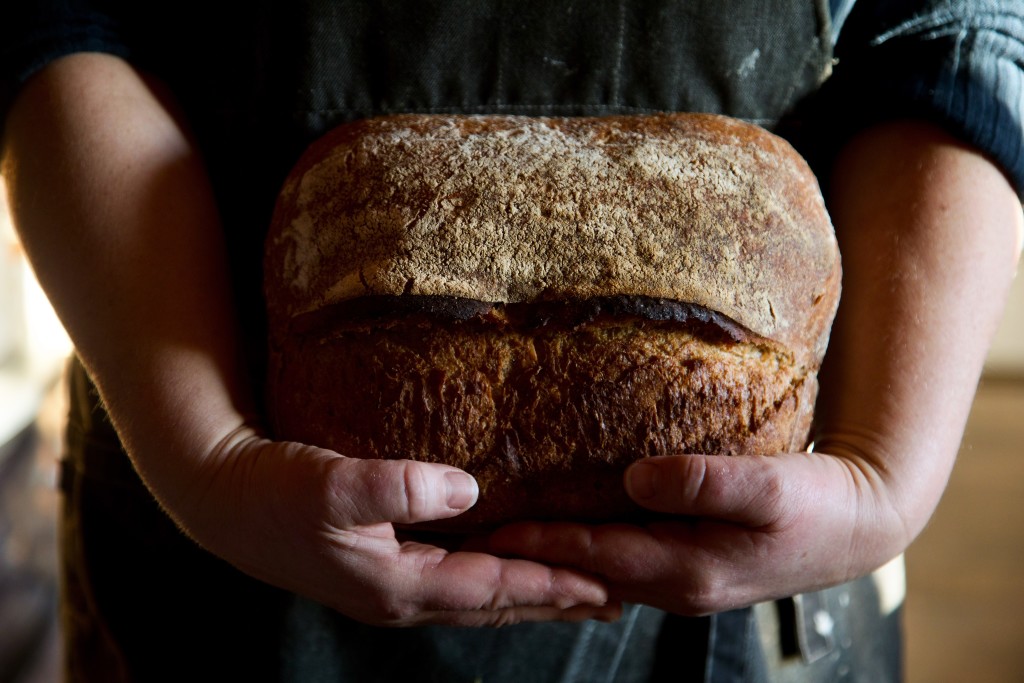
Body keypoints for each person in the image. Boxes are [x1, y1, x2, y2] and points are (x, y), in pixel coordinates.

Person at [1, 1, 1022, 681]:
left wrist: (890, 467)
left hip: (753, 602)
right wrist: (205, 454)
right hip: (214, 530)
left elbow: (957, 24)